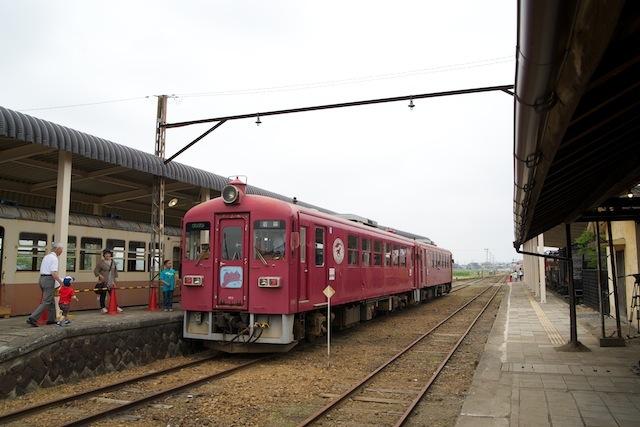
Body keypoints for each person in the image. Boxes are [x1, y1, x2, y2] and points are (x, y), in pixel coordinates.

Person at [27, 242, 64, 327]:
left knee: (50, 300)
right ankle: (33, 318)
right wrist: (61, 282)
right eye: (61, 250)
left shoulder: (46, 257)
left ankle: (51, 319)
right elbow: (53, 273)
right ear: (57, 249)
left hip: (41, 279)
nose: (61, 252)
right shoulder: (54, 259)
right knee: (46, 301)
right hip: (48, 280)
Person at [94, 249, 123, 313]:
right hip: (103, 281)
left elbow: (115, 271)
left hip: (111, 281)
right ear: (104, 255)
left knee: (112, 295)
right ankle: (103, 307)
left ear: (110, 254)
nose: (107, 255)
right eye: (106, 254)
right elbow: (95, 271)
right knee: (103, 295)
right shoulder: (100, 262)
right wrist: (100, 275)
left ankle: (116, 307)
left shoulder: (113, 262)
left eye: (108, 254)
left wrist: (115, 280)